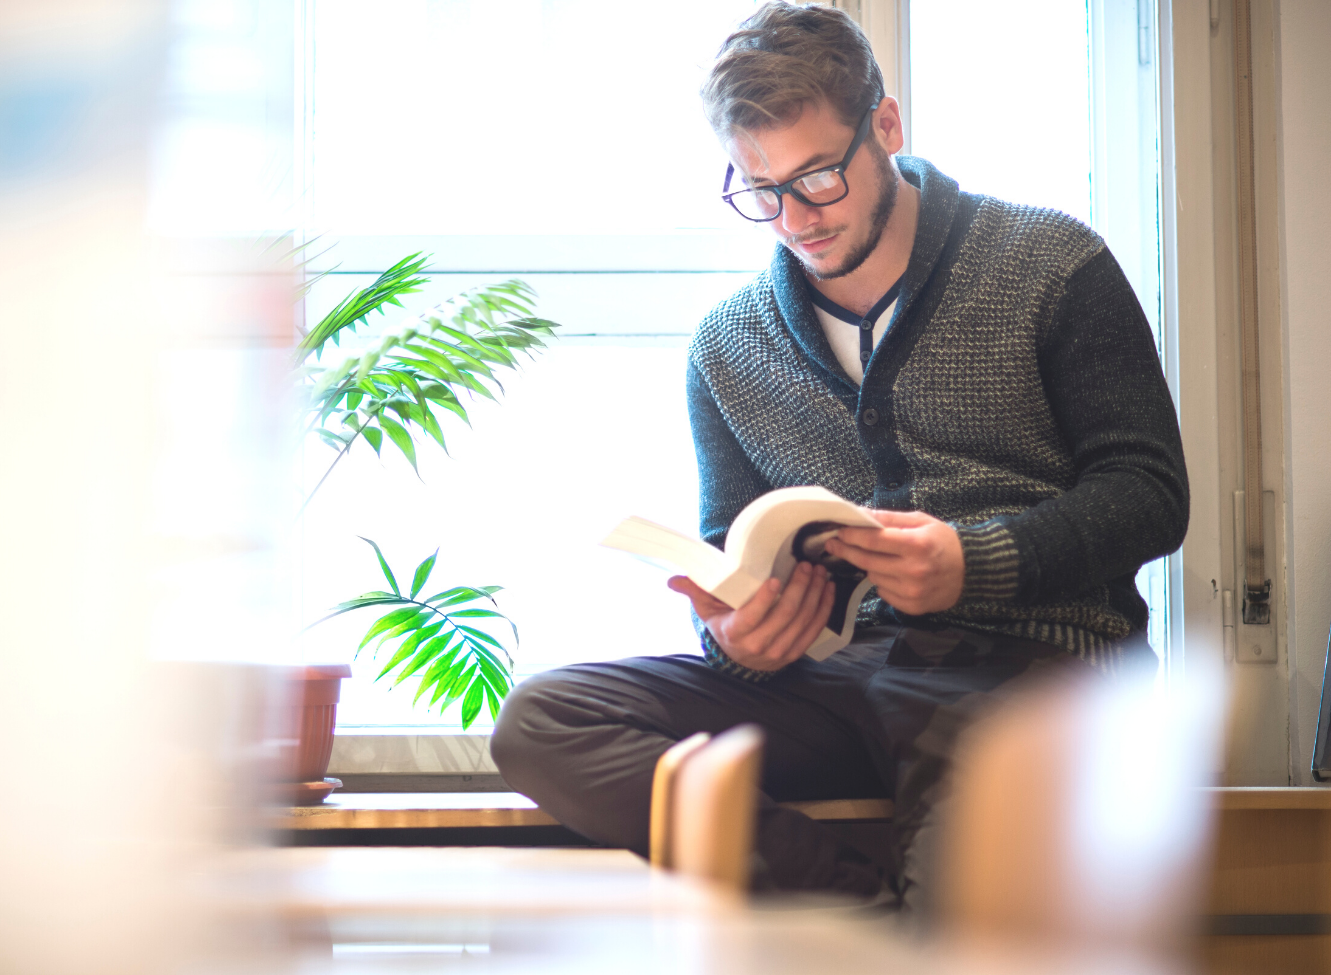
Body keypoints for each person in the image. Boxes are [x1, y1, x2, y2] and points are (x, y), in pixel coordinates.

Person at [491, 1, 1188, 910]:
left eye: (818, 176)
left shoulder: (1049, 262)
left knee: (966, 925)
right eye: (759, 187)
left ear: (886, 127)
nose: (794, 218)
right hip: (838, 684)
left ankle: (887, 938)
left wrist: (972, 562)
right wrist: (738, 637)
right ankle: (849, 916)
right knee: (546, 718)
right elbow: (728, 555)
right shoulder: (728, 344)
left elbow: (1149, 493)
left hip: (1030, 677)